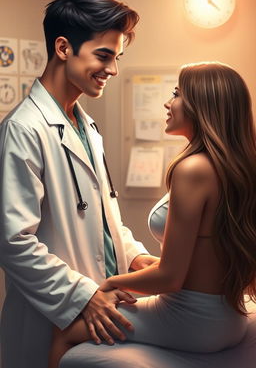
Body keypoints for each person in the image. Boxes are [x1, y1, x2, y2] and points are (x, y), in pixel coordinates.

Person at [48, 61, 256, 368]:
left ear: (204, 105)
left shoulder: (192, 169)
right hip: (227, 317)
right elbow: (203, 258)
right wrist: (145, 270)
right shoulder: (235, 167)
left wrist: (106, 285)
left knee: (65, 328)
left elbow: (171, 278)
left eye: (177, 94)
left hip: (192, 321)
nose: (168, 102)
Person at [0, 0, 159, 368]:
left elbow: (105, 219)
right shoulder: (23, 129)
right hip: (51, 318)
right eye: (103, 56)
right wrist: (82, 295)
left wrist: (137, 258)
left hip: (98, 315)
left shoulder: (86, 126)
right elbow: (12, 242)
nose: (113, 70)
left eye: (117, 57)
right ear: (63, 48)